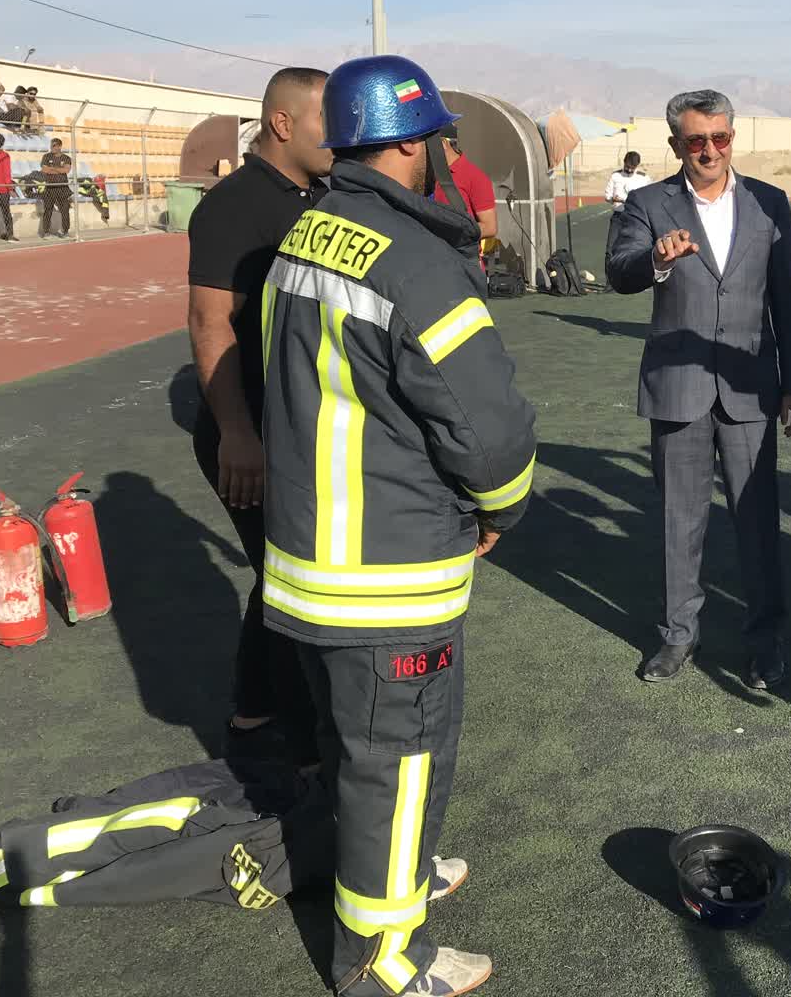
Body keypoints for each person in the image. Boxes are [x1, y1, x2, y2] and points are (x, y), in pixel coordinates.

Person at [261, 54, 537, 997]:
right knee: (397, 765)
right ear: (417, 145)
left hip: (309, 565)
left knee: (360, 755)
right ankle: (381, 963)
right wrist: (501, 507)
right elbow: (488, 431)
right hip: (386, 580)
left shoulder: (308, 231)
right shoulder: (413, 261)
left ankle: (403, 871)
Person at [605, 89, 791, 690]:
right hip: (678, 387)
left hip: (751, 387)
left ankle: (765, 641)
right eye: (697, 140)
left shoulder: (770, 202)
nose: (710, 151)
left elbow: (786, 300)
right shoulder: (648, 202)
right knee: (679, 520)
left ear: (732, 138)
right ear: (677, 144)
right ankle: (677, 635)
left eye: (720, 138)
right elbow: (619, 271)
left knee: (757, 523)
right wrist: (656, 260)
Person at [186, 67, 333, 757]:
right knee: (288, 575)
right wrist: (239, 435)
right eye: (326, 121)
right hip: (253, 431)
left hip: (301, 427)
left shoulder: (321, 196)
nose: (339, 136)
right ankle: (291, 737)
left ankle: (256, 705)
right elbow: (209, 322)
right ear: (282, 123)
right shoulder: (234, 206)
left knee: (283, 571)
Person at [430, 127, 497, 269]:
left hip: (463, 266)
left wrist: (451, 233)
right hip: (435, 262)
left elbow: (490, 227)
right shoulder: (429, 175)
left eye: (427, 143)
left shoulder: (475, 177)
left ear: (443, 143)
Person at [38, 137, 73, 237]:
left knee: (65, 210)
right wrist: (59, 169)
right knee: (48, 210)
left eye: (54, 146)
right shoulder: (46, 156)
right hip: (50, 187)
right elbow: (45, 170)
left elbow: (66, 170)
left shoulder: (66, 158)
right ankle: (46, 232)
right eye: (51, 146)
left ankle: (65, 231)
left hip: (62, 187)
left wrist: (52, 169)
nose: (52, 148)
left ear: (59, 146)